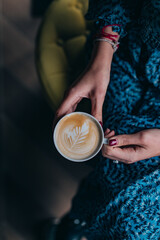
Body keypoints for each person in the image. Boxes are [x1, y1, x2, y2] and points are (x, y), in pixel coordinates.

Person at [50, 0, 160, 239]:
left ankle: (76, 222)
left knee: (132, 225)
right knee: (110, 138)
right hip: (128, 55)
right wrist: (104, 47)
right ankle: (78, 220)